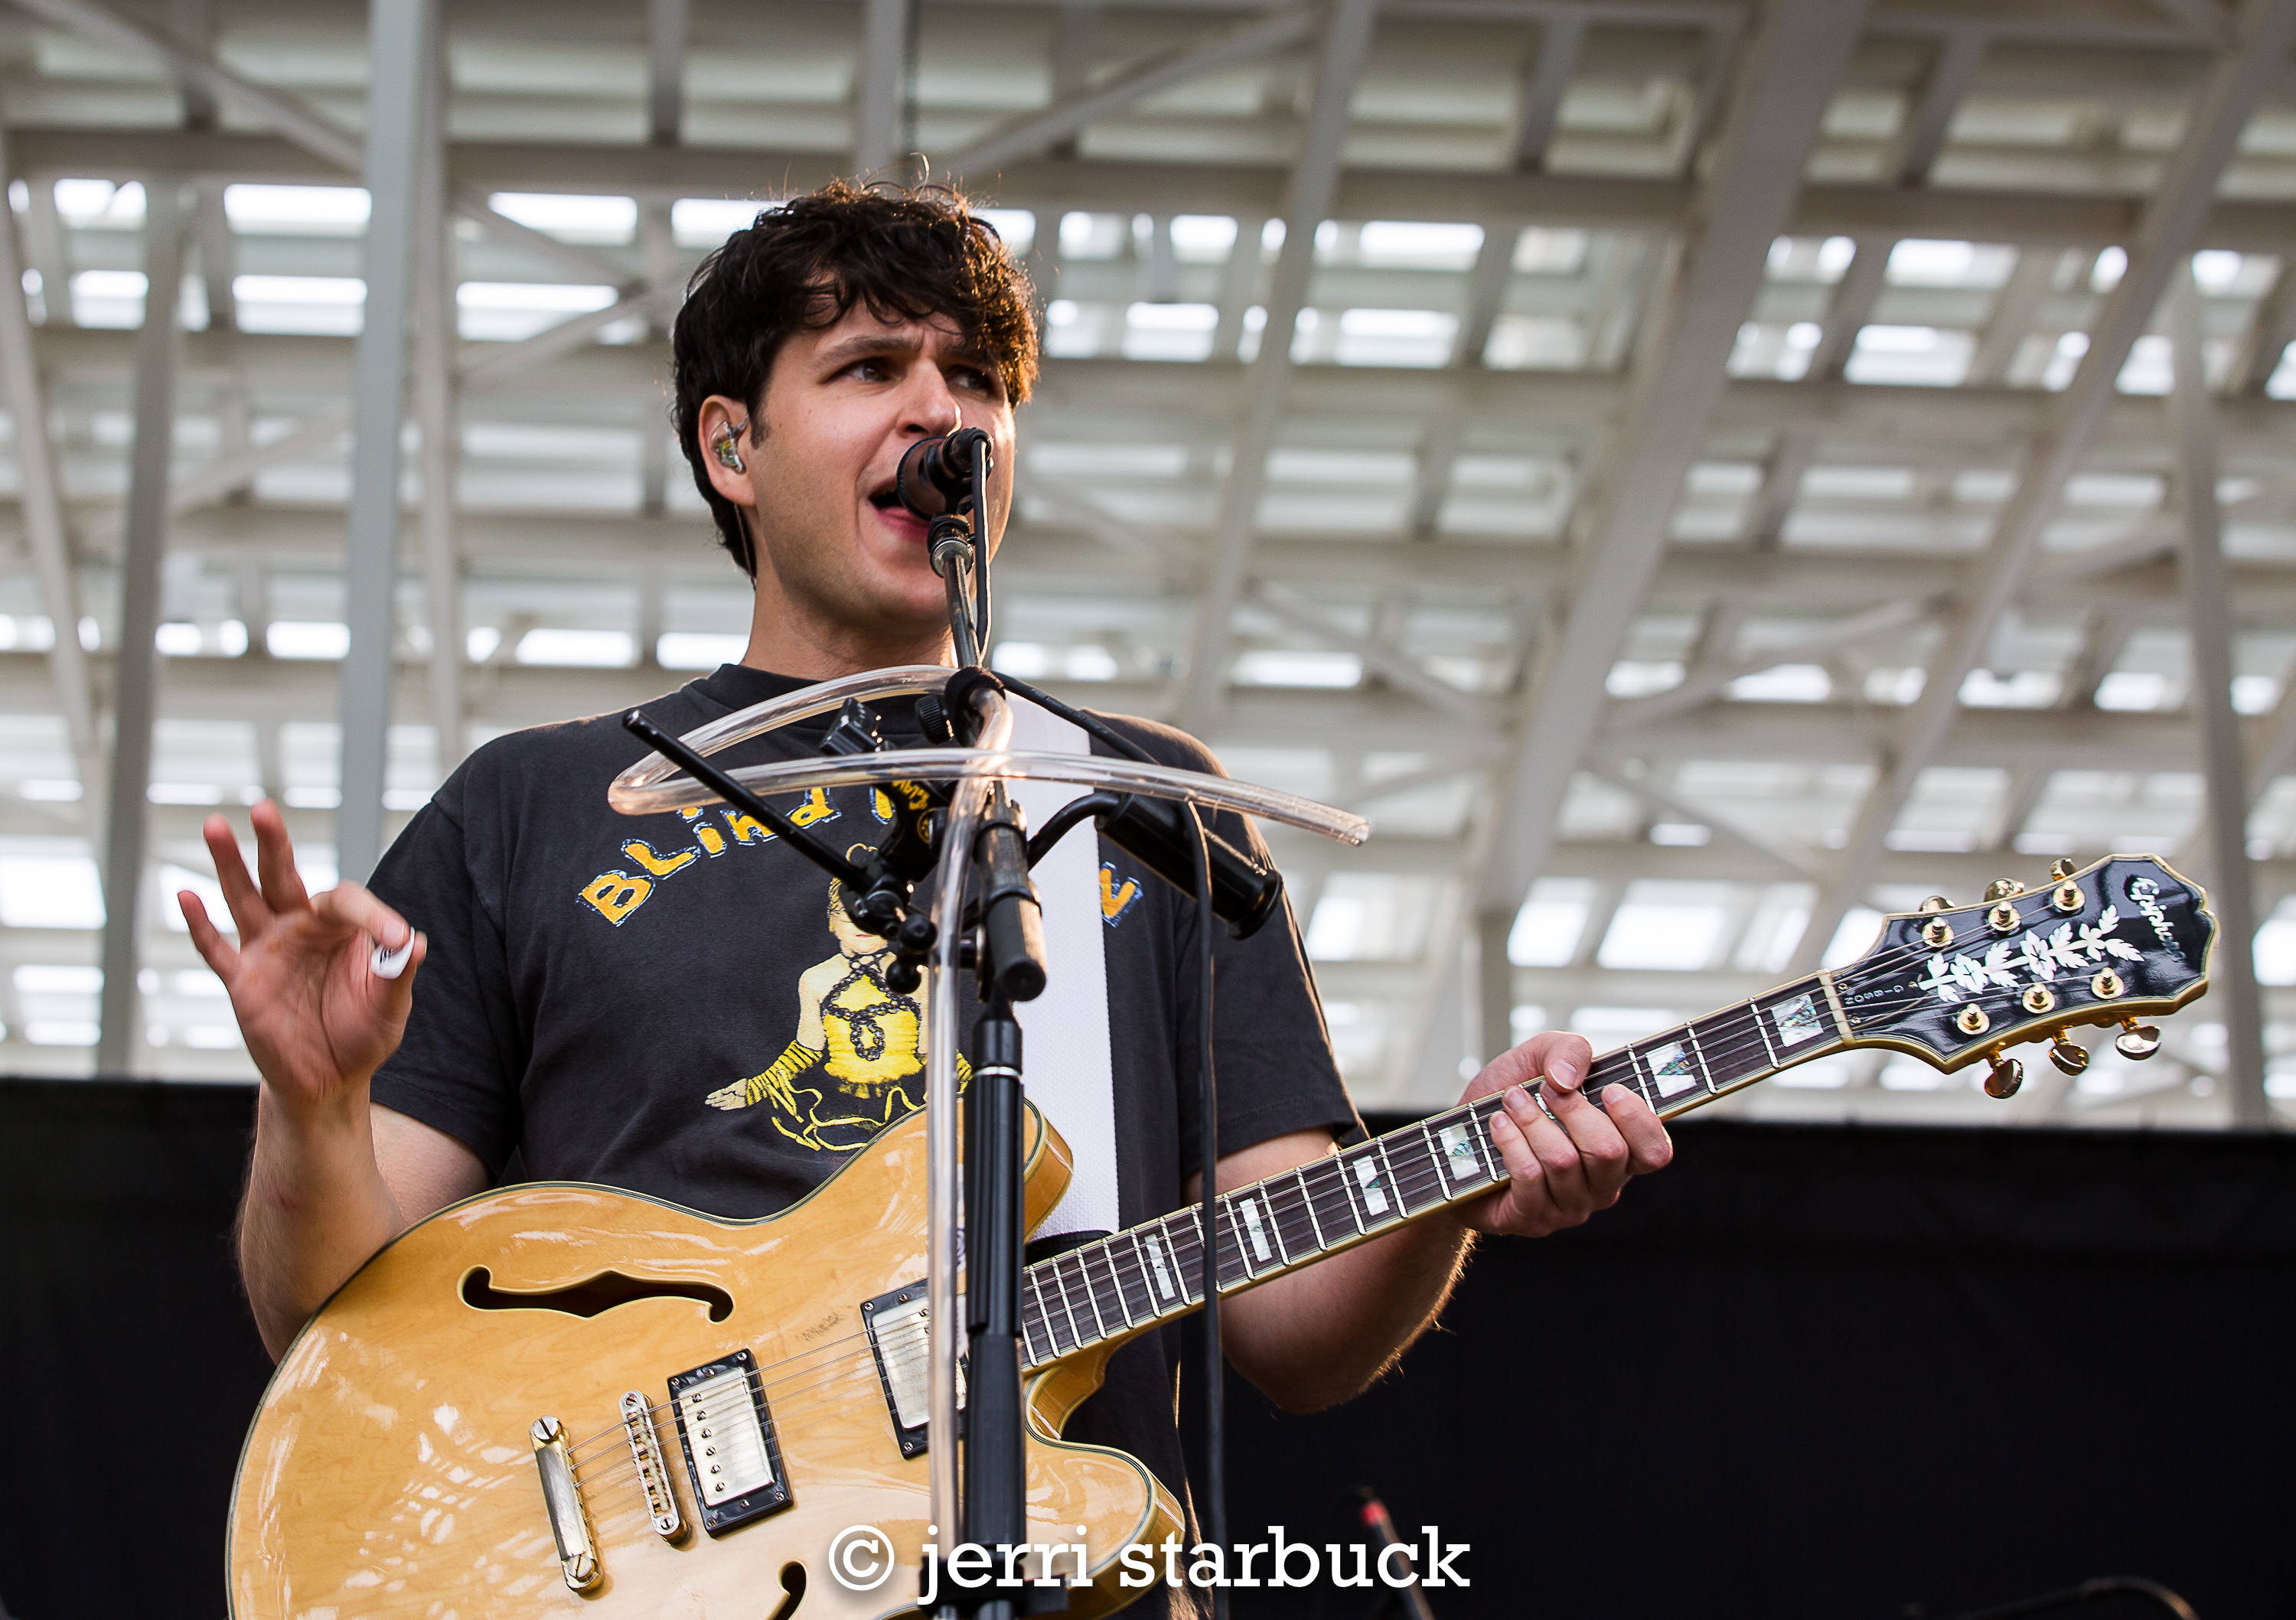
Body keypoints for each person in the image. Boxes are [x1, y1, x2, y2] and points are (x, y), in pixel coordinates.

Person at [188, 180, 1672, 1610]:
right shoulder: (540, 801)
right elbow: (344, 1341)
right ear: (731, 445)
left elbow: (1293, 1328)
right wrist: (309, 1108)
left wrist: (1462, 1181)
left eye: (976, 376)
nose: (939, 413)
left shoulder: (1145, 802)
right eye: (868, 365)